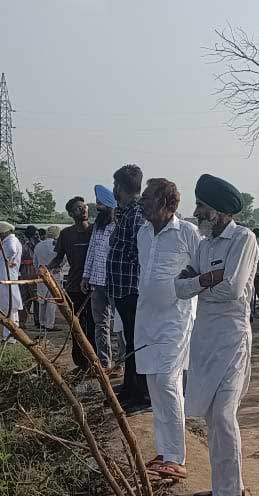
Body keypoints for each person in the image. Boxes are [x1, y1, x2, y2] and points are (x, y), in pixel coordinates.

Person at [175, 173, 259, 496]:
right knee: (212, 419)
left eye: (202, 207)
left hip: (232, 339)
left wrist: (200, 283)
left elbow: (234, 289)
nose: (197, 212)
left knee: (224, 416)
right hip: (205, 338)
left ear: (220, 211)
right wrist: (208, 279)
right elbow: (178, 288)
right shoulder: (204, 244)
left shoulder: (244, 239)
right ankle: (226, 485)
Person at [136, 177, 201, 480]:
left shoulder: (188, 233)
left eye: (147, 198)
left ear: (166, 203)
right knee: (154, 384)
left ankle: (176, 457)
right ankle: (164, 451)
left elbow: (202, 269)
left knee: (167, 381)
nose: (142, 202)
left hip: (176, 319)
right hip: (146, 318)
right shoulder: (143, 233)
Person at [106, 164, 149, 411]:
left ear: (121, 187)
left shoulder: (136, 215)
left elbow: (139, 253)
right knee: (129, 341)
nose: (113, 190)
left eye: (115, 186)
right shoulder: (126, 212)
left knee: (136, 341)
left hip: (132, 289)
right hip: (123, 289)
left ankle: (141, 394)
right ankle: (130, 387)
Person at [51, 196, 98, 370]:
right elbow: (59, 258)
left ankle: (94, 362)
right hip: (74, 287)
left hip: (94, 288)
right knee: (76, 327)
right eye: (78, 208)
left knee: (94, 326)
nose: (83, 210)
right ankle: (80, 362)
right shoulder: (66, 234)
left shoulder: (96, 230)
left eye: (84, 207)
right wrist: (46, 269)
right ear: (71, 213)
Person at [82, 188, 117, 373]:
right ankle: (105, 363)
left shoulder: (119, 225)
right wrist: (86, 276)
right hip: (96, 281)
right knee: (100, 324)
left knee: (118, 325)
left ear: (110, 206)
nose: (97, 207)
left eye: (100, 204)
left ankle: (121, 364)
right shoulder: (98, 226)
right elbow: (91, 252)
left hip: (114, 282)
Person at [0, 221, 23, 340]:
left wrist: (8, 259)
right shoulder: (11, 240)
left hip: (7, 278)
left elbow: (11, 250)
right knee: (11, 307)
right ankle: (11, 334)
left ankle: (9, 336)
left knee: (8, 306)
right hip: (5, 278)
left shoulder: (10, 241)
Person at [34, 226, 61, 331]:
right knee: (52, 300)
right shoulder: (57, 245)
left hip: (41, 274)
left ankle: (42, 322)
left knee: (42, 299)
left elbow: (35, 261)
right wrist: (59, 267)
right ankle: (49, 324)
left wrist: (39, 269)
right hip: (54, 274)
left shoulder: (38, 245)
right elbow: (63, 258)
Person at [19, 225, 40, 328]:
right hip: (25, 275)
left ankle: (39, 321)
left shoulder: (39, 246)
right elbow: (18, 262)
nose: (38, 237)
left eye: (38, 235)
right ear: (30, 236)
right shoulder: (24, 247)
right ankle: (22, 322)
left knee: (38, 299)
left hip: (37, 276)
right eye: (35, 235)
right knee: (25, 299)